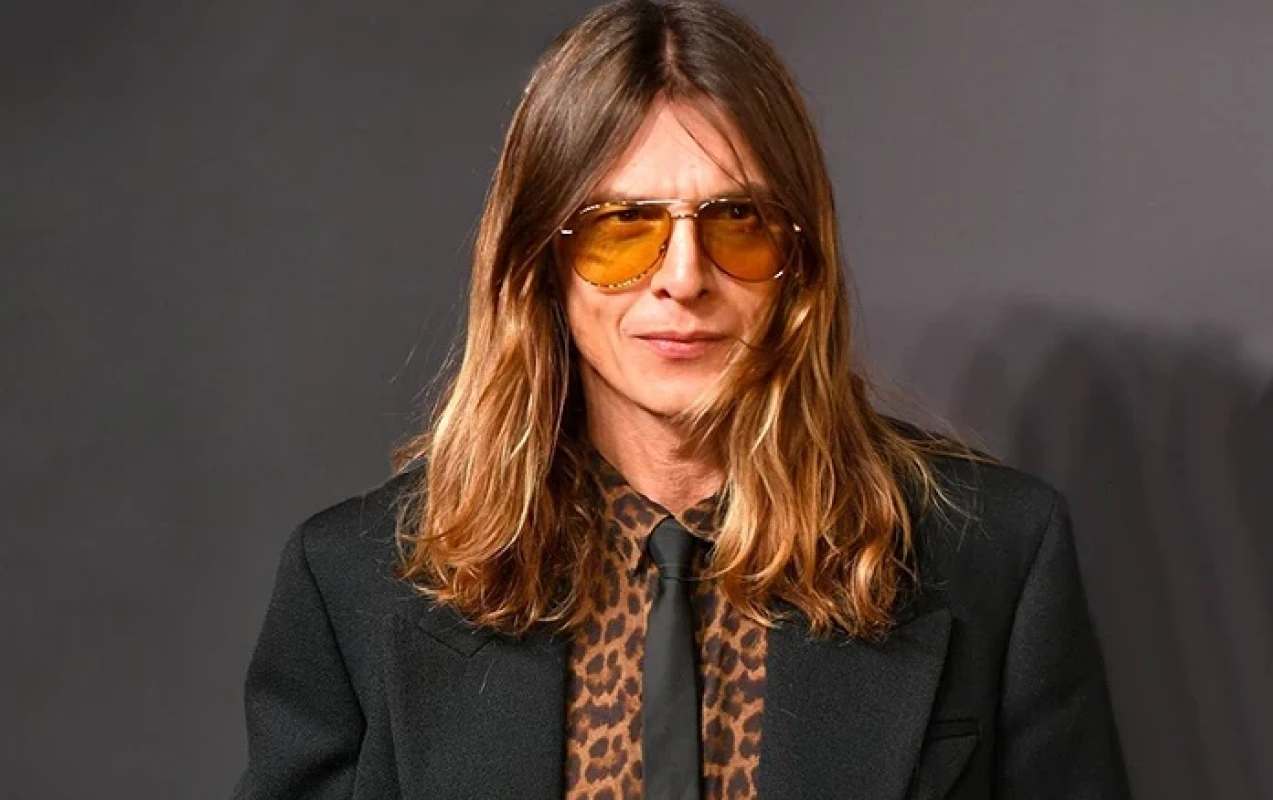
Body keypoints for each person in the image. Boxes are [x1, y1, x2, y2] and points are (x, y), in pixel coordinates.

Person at [234, 1, 1131, 798]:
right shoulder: (352, 585)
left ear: (800, 259)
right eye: (623, 228)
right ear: (538, 261)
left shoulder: (995, 556)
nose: (685, 278)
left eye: (739, 223)